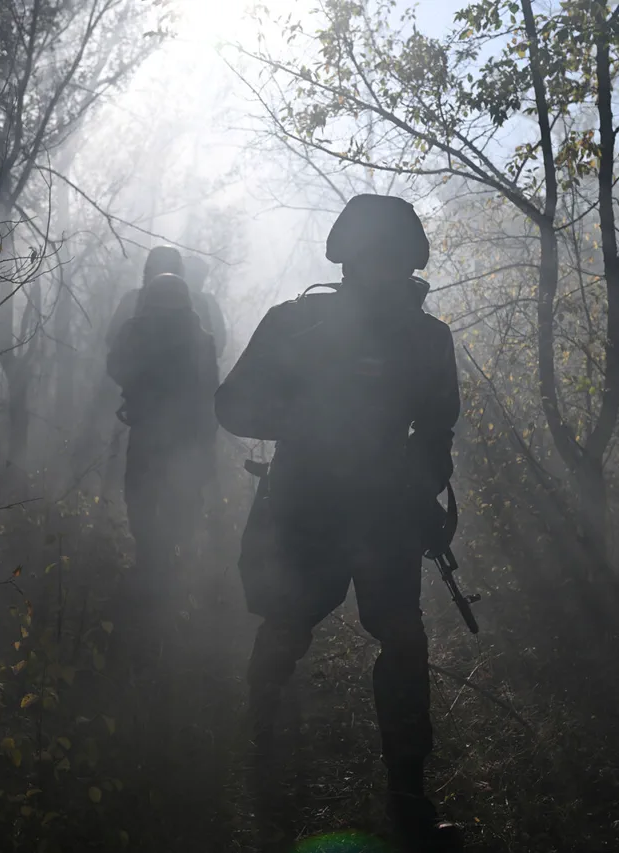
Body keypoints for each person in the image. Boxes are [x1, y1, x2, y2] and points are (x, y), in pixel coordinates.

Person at [215, 194, 462, 850]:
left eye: (391, 257)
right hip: (308, 505)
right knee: (286, 629)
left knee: (403, 641)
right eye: (369, 256)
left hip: (382, 514)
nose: (380, 269)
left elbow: (438, 432)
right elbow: (233, 405)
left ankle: (407, 794)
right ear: (347, 258)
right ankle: (263, 755)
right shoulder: (296, 324)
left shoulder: (426, 338)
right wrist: (305, 424)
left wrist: (420, 486)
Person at [107, 270, 219, 592]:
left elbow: (114, 365)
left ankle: (153, 559)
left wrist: (137, 387)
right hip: (185, 431)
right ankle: (171, 560)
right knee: (179, 496)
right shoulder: (201, 336)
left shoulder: (138, 329)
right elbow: (211, 387)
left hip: (153, 429)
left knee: (143, 495)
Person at [107, 247, 227, 360]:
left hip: (141, 377)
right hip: (180, 378)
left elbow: (112, 340)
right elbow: (216, 348)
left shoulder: (132, 298)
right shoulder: (200, 303)